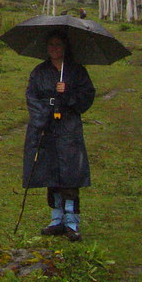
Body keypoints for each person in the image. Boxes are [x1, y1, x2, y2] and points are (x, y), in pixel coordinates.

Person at [22, 30, 96, 241]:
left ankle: (72, 221)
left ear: (65, 47)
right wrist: (45, 115)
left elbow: (87, 96)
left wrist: (68, 95)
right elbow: (32, 97)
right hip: (46, 129)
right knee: (50, 171)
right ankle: (56, 219)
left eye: (58, 45)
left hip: (69, 130)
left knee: (71, 173)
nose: (54, 49)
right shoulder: (39, 72)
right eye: (51, 45)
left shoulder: (77, 71)